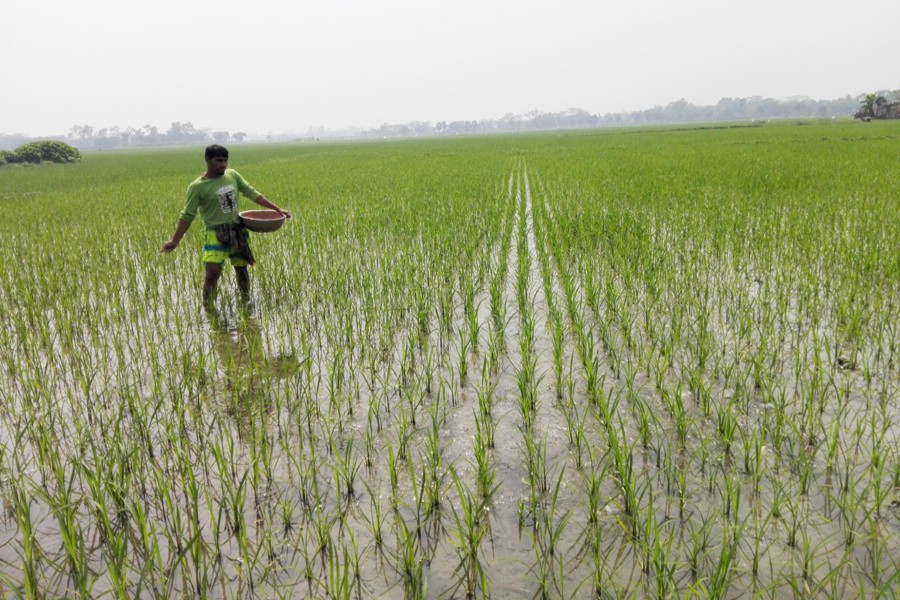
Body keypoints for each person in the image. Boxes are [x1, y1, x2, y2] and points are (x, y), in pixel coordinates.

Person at [160, 144, 290, 310]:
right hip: (216, 233)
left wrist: (277, 209)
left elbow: (252, 193)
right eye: (218, 161)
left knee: (241, 268)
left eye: (225, 160)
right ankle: (208, 307)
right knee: (213, 273)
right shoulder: (197, 187)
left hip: (237, 230)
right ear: (207, 160)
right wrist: (175, 240)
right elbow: (187, 215)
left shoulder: (232, 175)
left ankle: (245, 302)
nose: (223, 164)